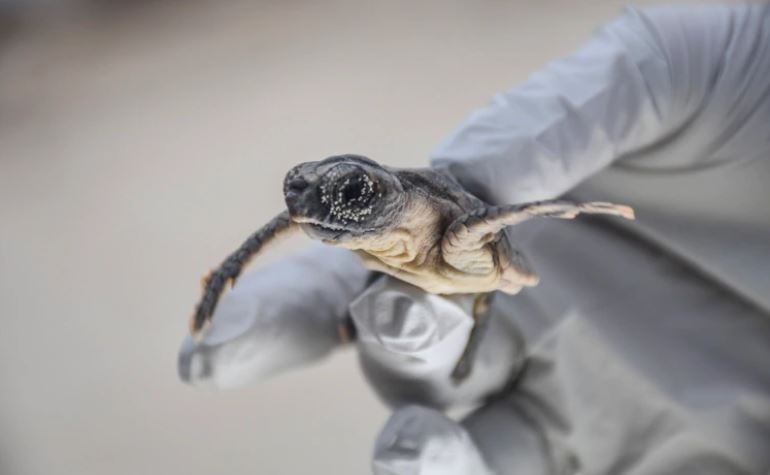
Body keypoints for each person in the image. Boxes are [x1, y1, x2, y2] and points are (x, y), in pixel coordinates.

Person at [178, 4, 770, 474]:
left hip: (482, 259)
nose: (317, 207)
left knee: (461, 309)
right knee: (393, 318)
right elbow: (307, 213)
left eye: (355, 193)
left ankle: (457, 342)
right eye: (304, 194)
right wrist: (236, 264)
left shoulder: (456, 230)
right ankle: (390, 328)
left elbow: (484, 232)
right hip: (439, 255)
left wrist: (573, 208)